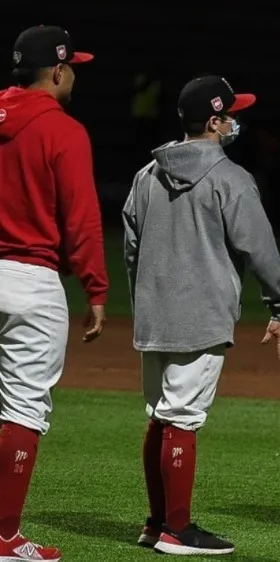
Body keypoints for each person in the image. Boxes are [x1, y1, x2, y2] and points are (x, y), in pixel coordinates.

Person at [123, 75, 280, 556]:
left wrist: (146, 300)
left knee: (162, 417)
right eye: (230, 112)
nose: (235, 120)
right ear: (213, 120)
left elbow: (130, 249)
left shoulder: (146, 175)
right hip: (201, 315)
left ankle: (156, 522)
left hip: (154, 316)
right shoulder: (231, 177)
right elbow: (261, 249)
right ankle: (176, 530)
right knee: (182, 419)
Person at [0, 25, 106, 562]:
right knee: (22, 408)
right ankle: (4, 539)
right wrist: (96, 287)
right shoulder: (63, 131)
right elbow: (82, 218)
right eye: (74, 68)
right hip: (29, 280)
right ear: (59, 71)